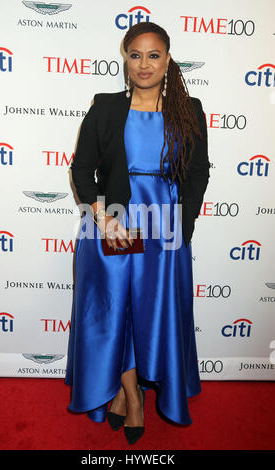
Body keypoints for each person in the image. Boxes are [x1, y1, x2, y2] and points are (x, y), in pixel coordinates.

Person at [65, 21, 210, 445]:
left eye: (153, 55)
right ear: (125, 59)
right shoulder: (106, 106)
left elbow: (198, 173)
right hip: (113, 218)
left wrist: (183, 228)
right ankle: (130, 394)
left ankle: (130, 391)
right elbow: (81, 168)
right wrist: (100, 214)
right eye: (135, 55)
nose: (144, 64)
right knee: (114, 310)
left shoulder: (189, 109)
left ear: (167, 59)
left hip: (164, 225)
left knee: (150, 311)